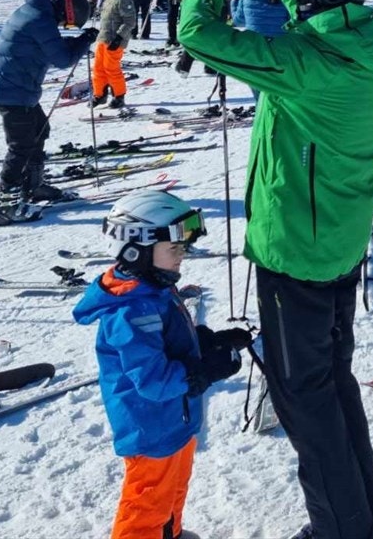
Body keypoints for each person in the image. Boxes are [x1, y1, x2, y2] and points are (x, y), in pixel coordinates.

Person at [177, 0, 373, 539]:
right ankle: (361, 521)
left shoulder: (302, 64)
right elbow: (312, 16)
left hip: (295, 251)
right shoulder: (358, 41)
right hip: (336, 242)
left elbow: (195, 33)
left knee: (304, 399)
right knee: (332, 385)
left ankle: (339, 529)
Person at [72, 190, 248, 539]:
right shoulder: (130, 311)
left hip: (175, 418)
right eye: (174, 249)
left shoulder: (153, 289)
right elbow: (152, 380)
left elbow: (169, 342)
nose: (182, 256)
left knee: (174, 489)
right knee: (147, 503)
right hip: (150, 427)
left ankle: (171, 533)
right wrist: (204, 370)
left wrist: (208, 342)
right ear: (136, 249)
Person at [0, 0, 98, 224]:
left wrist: (78, 40)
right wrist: (84, 40)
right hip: (13, 91)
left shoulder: (37, 12)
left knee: (39, 131)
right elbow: (62, 59)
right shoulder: (40, 20)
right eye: (68, 23)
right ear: (68, 12)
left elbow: (51, 44)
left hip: (17, 87)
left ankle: (33, 187)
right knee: (21, 146)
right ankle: (6, 205)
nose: (65, 26)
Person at [93, 0, 139, 108]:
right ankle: (100, 94)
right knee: (98, 68)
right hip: (103, 38)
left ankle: (119, 96)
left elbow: (130, 21)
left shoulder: (123, 0)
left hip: (115, 41)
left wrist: (119, 37)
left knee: (111, 69)